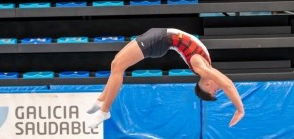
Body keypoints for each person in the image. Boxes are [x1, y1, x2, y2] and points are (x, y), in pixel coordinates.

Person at [86, 28, 245, 129]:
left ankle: (105, 110)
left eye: (214, 92)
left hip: (159, 40)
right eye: (216, 91)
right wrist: (239, 109)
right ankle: (102, 100)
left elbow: (227, 84)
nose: (218, 89)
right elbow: (228, 84)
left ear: (206, 85)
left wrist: (239, 109)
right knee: (115, 63)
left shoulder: (200, 67)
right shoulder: (204, 68)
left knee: (119, 67)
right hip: (158, 37)